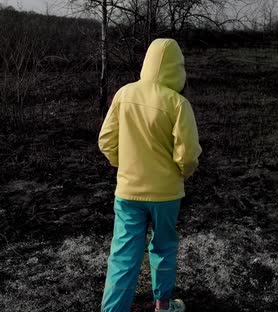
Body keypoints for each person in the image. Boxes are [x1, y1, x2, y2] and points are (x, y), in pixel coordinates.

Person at [98, 38, 202, 312]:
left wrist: (124, 164)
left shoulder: (124, 94)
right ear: (177, 68)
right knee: (163, 248)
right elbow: (188, 155)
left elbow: (106, 141)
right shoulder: (178, 103)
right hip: (166, 196)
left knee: (122, 256)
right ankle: (163, 305)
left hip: (128, 192)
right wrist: (183, 174)